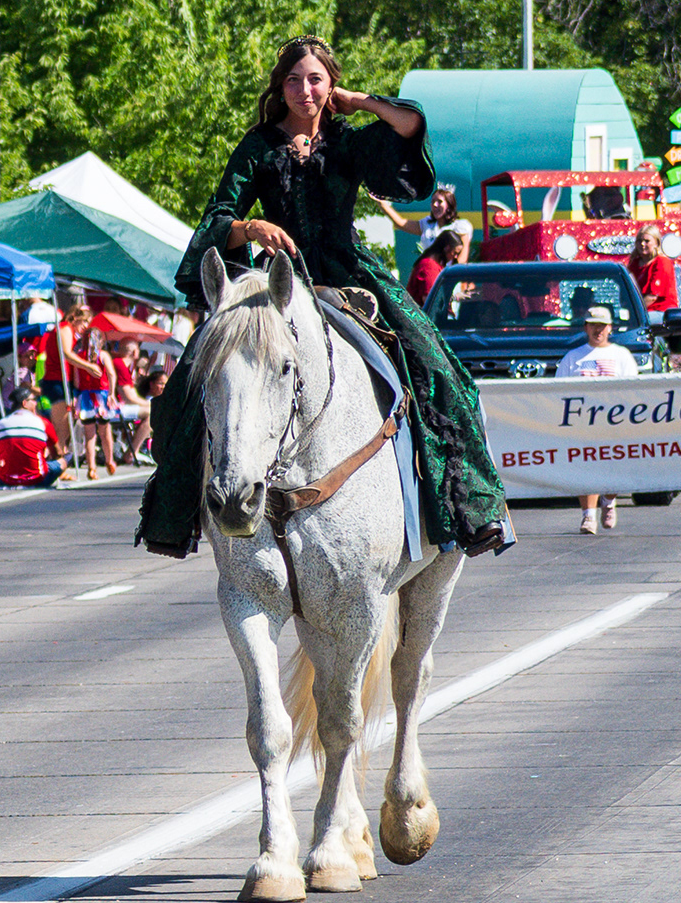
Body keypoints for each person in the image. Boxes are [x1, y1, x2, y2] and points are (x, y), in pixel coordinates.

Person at [142, 38, 515, 560]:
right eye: (293, 80)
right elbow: (216, 219)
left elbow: (408, 129)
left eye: (315, 79)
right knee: (190, 376)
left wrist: (358, 101)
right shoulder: (258, 147)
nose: (304, 90)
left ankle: (470, 511)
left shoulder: (347, 141)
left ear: (330, 84)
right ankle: (174, 516)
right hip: (276, 279)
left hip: (347, 273)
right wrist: (251, 228)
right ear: (280, 88)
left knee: (435, 364)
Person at [557, 298, 638, 535]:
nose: (598, 330)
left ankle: (609, 501)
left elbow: (632, 390)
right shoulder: (573, 357)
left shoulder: (622, 355)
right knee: (586, 468)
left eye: (602, 325)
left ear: (610, 328)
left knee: (613, 468)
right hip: (582, 423)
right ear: (586, 327)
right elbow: (559, 391)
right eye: (593, 325)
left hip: (613, 422)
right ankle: (588, 516)